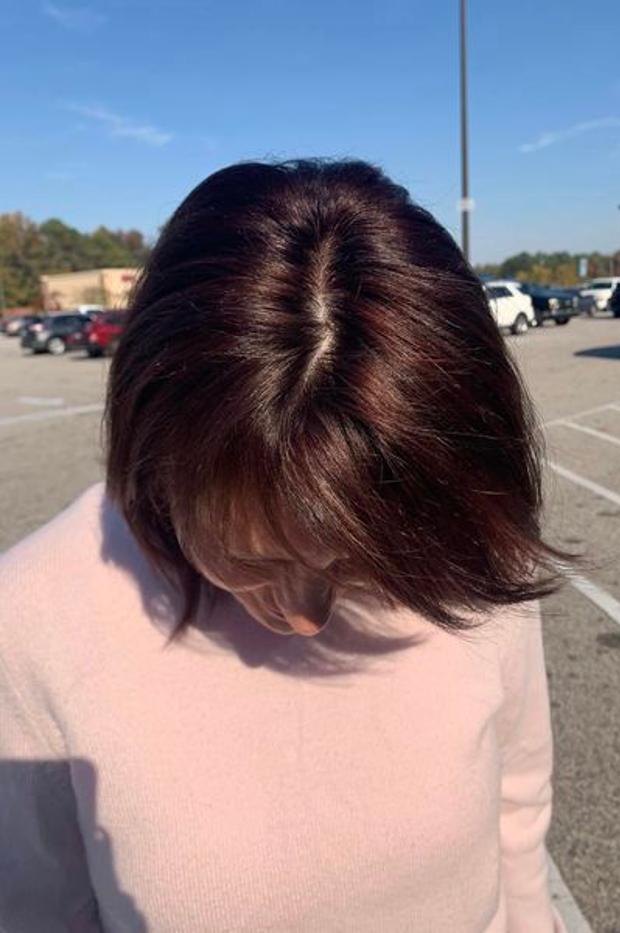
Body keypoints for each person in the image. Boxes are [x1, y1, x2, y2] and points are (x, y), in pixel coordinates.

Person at [0, 159, 567, 932]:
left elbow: (519, 809)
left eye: (363, 564)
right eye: (250, 561)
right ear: (156, 462)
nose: (305, 618)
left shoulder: (468, 533)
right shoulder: (35, 613)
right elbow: (37, 911)